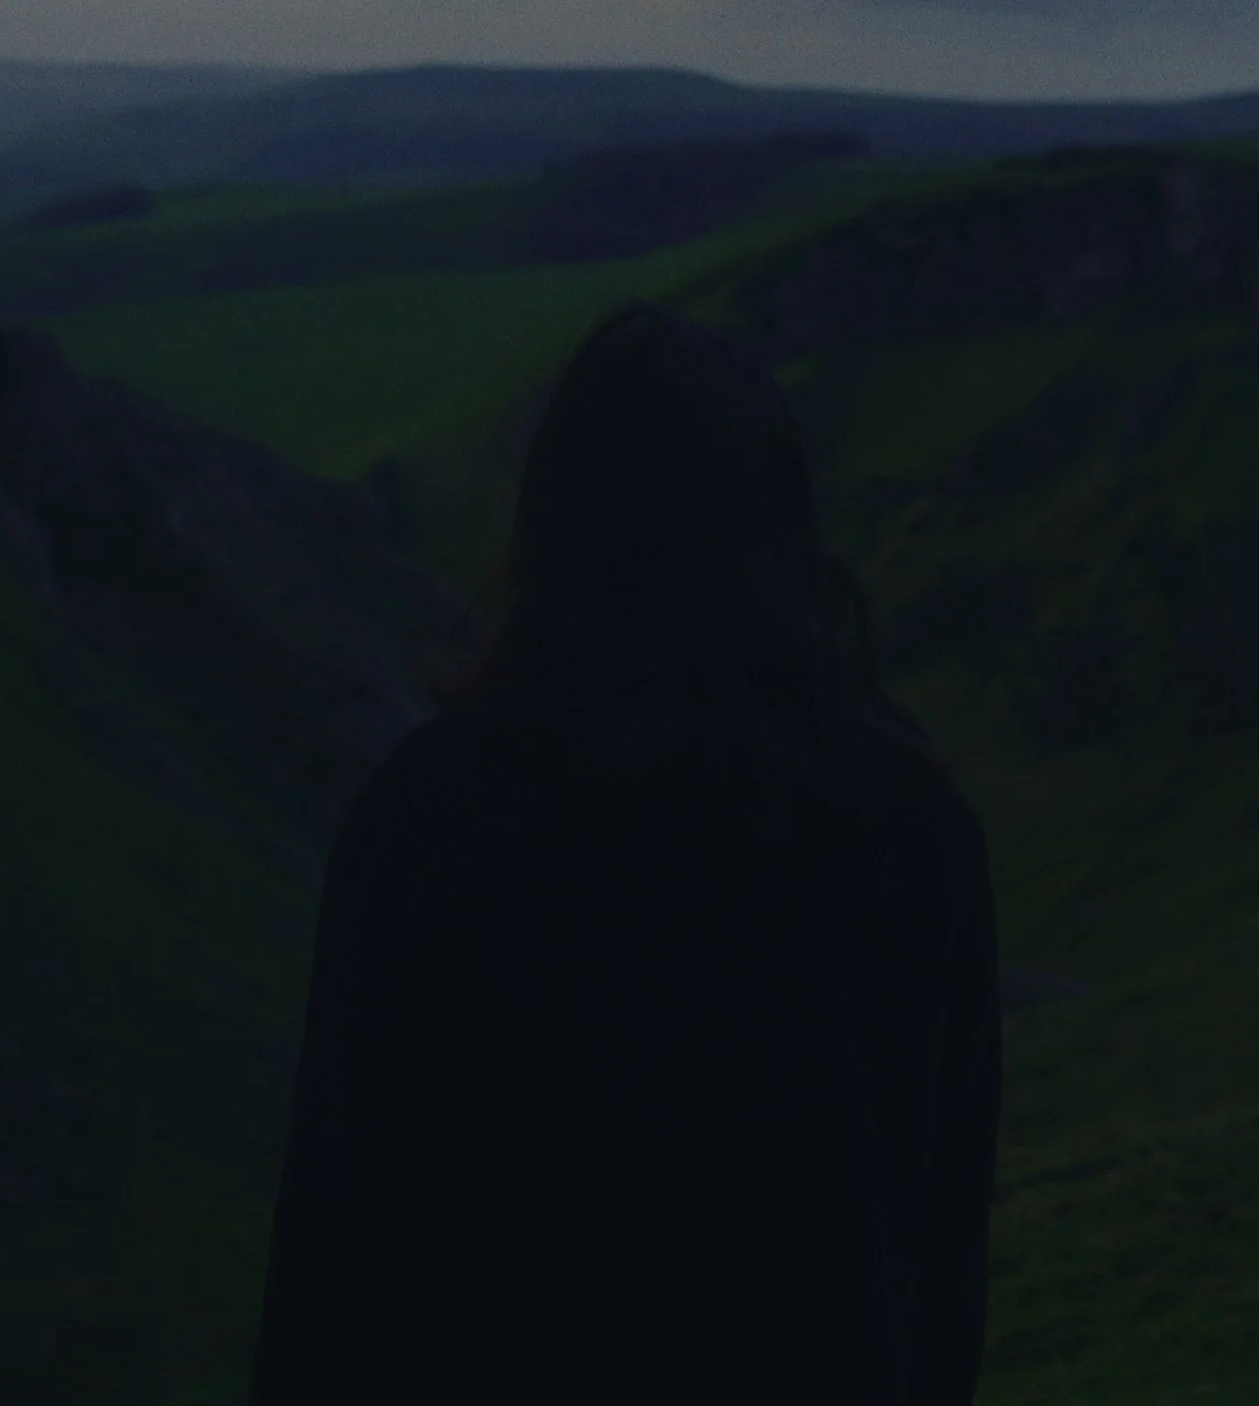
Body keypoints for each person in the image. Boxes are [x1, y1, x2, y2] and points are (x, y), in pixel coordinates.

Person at [248, 300, 1002, 1405]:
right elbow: (943, 1249)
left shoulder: (431, 815)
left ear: (554, 526)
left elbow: (337, 1243)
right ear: (786, 523)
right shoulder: (910, 827)